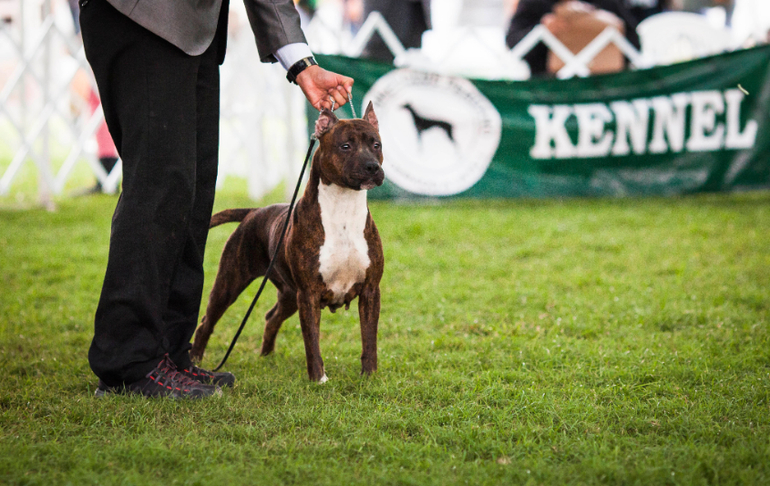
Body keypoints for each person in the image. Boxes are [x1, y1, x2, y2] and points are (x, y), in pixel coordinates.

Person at [78, 0, 354, 399]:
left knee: (192, 187)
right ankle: (129, 361)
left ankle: (168, 353)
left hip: (193, 33)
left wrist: (301, 63)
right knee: (160, 186)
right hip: (143, 18)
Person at [506, 0, 641, 76]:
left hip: (603, 87)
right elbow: (513, 43)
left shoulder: (609, 3)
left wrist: (615, 27)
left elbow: (636, 45)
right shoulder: (535, 3)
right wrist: (542, 29)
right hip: (549, 89)